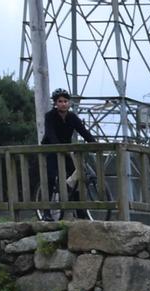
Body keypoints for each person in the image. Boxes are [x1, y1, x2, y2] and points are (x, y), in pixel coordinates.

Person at [38, 89, 96, 221]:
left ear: (68, 103)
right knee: (51, 178)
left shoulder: (72, 117)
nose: (63, 104)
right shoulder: (50, 116)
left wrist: (94, 144)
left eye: (65, 101)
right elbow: (50, 134)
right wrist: (58, 147)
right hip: (52, 149)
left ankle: (80, 211)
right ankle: (46, 212)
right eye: (60, 101)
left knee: (76, 177)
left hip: (67, 150)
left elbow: (84, 131)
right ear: (55, 103)